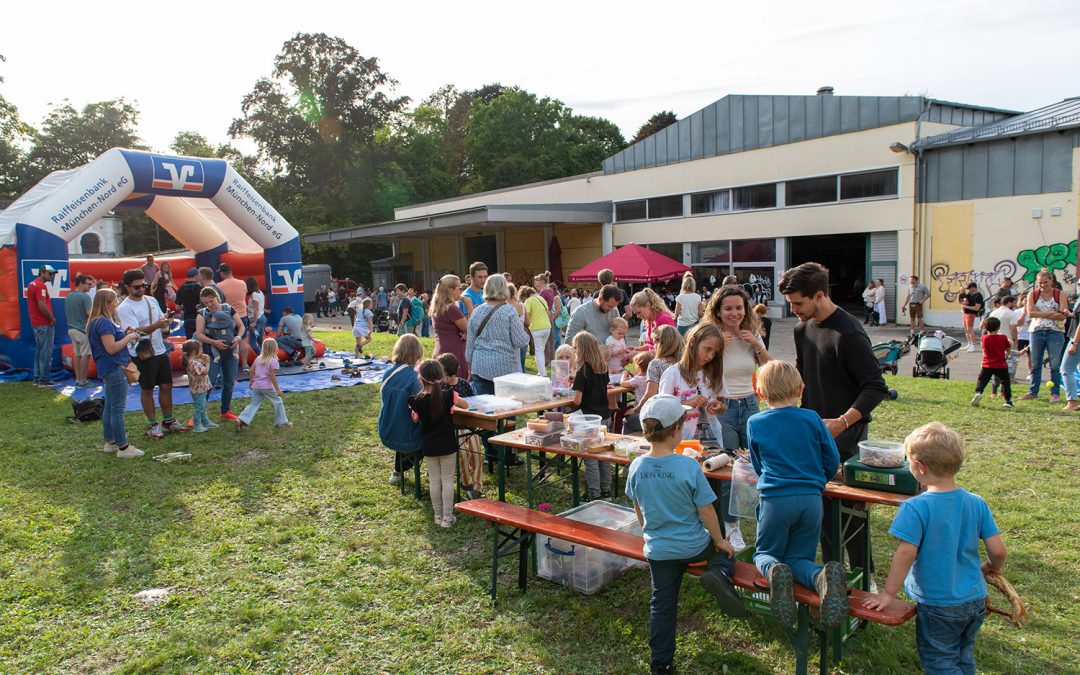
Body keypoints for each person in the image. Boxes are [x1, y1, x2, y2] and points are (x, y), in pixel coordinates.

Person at [862, 422, 1007, 675]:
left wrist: (887, 594)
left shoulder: (916, 507)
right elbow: (998, 550)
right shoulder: (977, 502)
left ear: (919, 468)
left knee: (940, 663)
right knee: (963, 657)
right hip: (975, 600)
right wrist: (991, 568)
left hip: (939, 605)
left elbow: (906, 553)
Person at [779, 262, 889, 582]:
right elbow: (805, 380)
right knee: (822, 511)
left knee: (852, 516)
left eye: (798, 304)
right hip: (813, 436)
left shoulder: (850, 333)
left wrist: (843, 422)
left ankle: (861, 577)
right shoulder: (802, 329)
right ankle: (832, 577)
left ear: (819, 295)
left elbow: (875, 387)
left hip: (846, 438)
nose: (794, 311)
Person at [624, 394, 745, 674]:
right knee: (724, 551)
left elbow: (637, 505)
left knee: (662, 605)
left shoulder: (637, 466)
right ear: (677, 429)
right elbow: (707, 512)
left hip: (659, 549)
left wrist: (646, 533)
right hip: (694, 546)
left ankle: (661, 664)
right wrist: (718, 540)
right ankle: (719, 572)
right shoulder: (688, 466)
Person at [748, 360, 846, 629]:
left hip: (775, 498)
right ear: (800, 389)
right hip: (812, 499)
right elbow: (832, 457)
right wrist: (818, 481)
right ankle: (821, 578)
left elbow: (758, 464)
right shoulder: (812, 418)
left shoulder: (755, 422)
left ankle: (774, 572)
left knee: (765, 553)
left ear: (760, 393)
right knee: (800, 559)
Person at [703, 285, 772, 551]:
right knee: (728, 466)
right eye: (728, 308)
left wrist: (756, 345)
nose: (734, 313)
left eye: (739, 308)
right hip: (724, 407)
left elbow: (771, 368)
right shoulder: (712, 335)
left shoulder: (752, 335)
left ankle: (758, 517)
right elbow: (699, 366)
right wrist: (717, 346)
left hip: (750, 404)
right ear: (717, 311)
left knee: (755, 463)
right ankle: (731, 527)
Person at [118, 269, 188, 438]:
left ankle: (168, 420)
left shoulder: (151, 300)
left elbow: (159, 319)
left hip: (160, 349)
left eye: (143, 285)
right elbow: (133, 331)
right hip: (142, 352)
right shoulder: (124, 308)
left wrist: (166, 321)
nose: (141, 289)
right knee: (147, 388)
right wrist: (158, 324)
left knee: (166, 385)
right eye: (136, 287)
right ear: (127, 287)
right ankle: (152, 424)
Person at [409, 359, 469, 527]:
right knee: (448, 480)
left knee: (434, 480)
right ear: (441, 376)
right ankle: (448, 517)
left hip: (429, 445)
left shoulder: (416, 400)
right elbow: (465, 405)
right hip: (447, 444)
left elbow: (415, 419)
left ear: (420, 378)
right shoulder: (450, 395)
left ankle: (438, 515)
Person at [86, 289, 143, 457]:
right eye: (115, 301)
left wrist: (123, 334)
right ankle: (123, 447)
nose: (117, 304)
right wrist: (129, 336)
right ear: (107, 303)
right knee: (117, 408)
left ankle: (110, 442)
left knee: (110, 407)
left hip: (107, 368)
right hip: (115, 367)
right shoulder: (104, 322)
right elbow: (111, 348)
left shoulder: (96, 322)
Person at [658, 323, 726, 447]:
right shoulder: (672, 374)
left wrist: (718, 406)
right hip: (680, 442)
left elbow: (722, 404)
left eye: (715, 353)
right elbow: (663, 411)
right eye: (708, 349)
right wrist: (689, 403)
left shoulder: (716, 374)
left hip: (712, 439)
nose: (710, 356)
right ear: (693, 342)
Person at [465, 274, 530, 396]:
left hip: (480, 366)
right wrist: (526, 335)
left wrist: (470, 366)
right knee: (508, 408)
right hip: (505, 368)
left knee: (485, 408)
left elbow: (470, 345)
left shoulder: (476, 311)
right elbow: (520, 341)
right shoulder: (509, 311)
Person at [570, 331, 615, 500]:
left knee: (591, 458)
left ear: (580, 350)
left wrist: (570, 402)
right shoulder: (602, 368)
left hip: (589, 421)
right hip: (604, 416)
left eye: (575, 348)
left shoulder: (583, 371)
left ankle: (593, 493)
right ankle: (606, 490)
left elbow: (577, 400)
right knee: (603, 455)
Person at [380, 333, 424, 485]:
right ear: (417, 352)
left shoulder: (388, 372)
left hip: (388, 428)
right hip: (408, 434)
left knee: (404, 420)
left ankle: (397, 471)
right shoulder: (414, 377)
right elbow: (422, 405)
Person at [195, 286, 244, 421]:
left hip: (230, 352)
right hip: (212, 353)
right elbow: (199, 334)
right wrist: (214, 342)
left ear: (217, 298)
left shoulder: (228, 309)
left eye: (212, 301)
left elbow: (241, 326)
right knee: (208, 383)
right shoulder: (202, 314)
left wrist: (238, 337)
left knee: (229, 383)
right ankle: (199, 413)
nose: (210, 305)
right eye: (206, 303)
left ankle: (225, 410)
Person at [438, 353, 483, 499]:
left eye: (452, 375)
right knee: (463, 453)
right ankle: (466, 482)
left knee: (477, 453)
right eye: (447, 375)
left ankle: (477, 485)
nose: (450, 379)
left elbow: (471, 403)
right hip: (452, 428)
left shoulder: (463, 384)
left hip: (468, 426)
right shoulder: (441, 387)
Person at [1021, 269, 1069, 402]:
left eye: (1045, 282)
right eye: (1040, 283)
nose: (1043, 285)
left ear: (1052, 280)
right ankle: (1033, 391)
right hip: (1037, 331)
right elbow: (1030, 313)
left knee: (1055, 364)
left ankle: (1055, 393)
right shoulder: (1033, 294)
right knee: (1035, 363)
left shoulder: (1060, 294)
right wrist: (1052, 312)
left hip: (1056, 332)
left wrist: (1041, 312)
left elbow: (1063, 315)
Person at [236, 338, 290, 431]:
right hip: (267, 387)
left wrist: (251, 381)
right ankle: (282, 422)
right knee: (278, 402)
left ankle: (242, 419)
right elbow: (272, 376)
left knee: (254, 404)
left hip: (256, 386)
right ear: (275, 348)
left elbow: (251, 370)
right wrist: (277, 389)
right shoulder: (274, 361)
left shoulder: (258, 358)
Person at [636, 324, 684, 414]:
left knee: (625, 419)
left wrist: (636, 410)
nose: (654, 347)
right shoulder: (683, 362)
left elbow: (650, 394)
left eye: (654, 343)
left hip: (661, 412)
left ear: (661, 343)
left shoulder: (656, 364)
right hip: (681, 409)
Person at [431, 274, 471, 381]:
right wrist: (469, 308)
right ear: (451, 290)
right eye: (459, 289)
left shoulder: (437, 306)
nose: (461, 292)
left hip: (441, 348)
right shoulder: (451, 308)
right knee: (456, 385)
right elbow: (470, 328)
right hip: (454, 351)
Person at [970, 316, 1013, 409]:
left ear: (985, 328)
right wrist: (1008, 354)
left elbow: (983, 348)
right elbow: (1008, 347)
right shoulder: (1003, 337)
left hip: (987, 364)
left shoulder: (984, 338)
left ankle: (978, 392)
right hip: (1001, 364)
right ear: (998, 328)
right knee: (1005, 382)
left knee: (982, 380)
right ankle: (1008, 400)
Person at [27, 263, 58, 386]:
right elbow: (42, 305)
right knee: (46, 351)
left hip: (37, 322)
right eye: (50, 274)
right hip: (43, 322)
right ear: (42, 273)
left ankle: (38, 377)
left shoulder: (32, 284)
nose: (51, 276)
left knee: (39, 351)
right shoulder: (40, 286)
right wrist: (51, 318)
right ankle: (44, 379)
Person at [217, 263, 250, 371]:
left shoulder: (219, 286)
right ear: (231, 272)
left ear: (222, 273)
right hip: (242, 315)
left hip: (228, 316)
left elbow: (219, 302)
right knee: (242, 340)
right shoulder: (242, 283)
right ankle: (245, 364)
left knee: (227, 342)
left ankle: (230, 366)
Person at [181, 339, 216, 433]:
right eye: (200, 349)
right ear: (194, 351)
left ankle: (205, 421)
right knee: (200, 408)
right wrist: (208, 362)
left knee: (203, 406)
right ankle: (197, 426)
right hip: (199, 389)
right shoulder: (194, 363)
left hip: (197, 388)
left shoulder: (190, 361)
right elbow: (205, 372)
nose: (201, 351)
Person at [65, 273, 94, 387]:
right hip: (82, 330)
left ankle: (78, 379)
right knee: (85, 355)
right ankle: (83, 380)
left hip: (71, 329)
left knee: (77, 355)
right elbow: (89, 314)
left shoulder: (69, 296)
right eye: (88, 284)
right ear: (81, 284)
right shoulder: (84, 297)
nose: (90, 287)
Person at [521, 285, 552, 377]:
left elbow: (526, 314)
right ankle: (540, 371)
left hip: (536, 327)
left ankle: (543, 374)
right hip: (547, 326)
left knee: (538, 351)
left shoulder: (528, 301)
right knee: (541, 350)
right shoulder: (541, 298)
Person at [1061, 303, 1080, 412]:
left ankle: (1072, 402)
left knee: (1066, 369)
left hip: (1077, 340)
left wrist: (1074, 343)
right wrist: (1071, 314)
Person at [176, 267, 202, 339]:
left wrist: (185, 305)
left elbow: (177, 307)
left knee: (190, 342)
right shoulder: (200, 288)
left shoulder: (181, 288)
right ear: (196, 276)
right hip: (199, 318)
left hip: (188, 318)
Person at [958, 282, 984, 351]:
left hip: (971, 314)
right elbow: (965, 300)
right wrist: (962, 292)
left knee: (970, 329)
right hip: (965, 313)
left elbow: (977, 308)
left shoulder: (978, 296)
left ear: (973, 287)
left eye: (970, 288)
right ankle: (969, 344)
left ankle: (973, 345)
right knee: (966, 329)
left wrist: (966, 306)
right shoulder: (970, 293)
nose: (969, 290)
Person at [246, 277, 267, 354]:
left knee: (252, 342)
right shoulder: (260, 292)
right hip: (262, 317)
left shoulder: (254, 295)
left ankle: (264, 358)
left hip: (257, 319)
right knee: (260, 340)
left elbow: (256, 309)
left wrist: (254, 322)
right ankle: (268, 355)